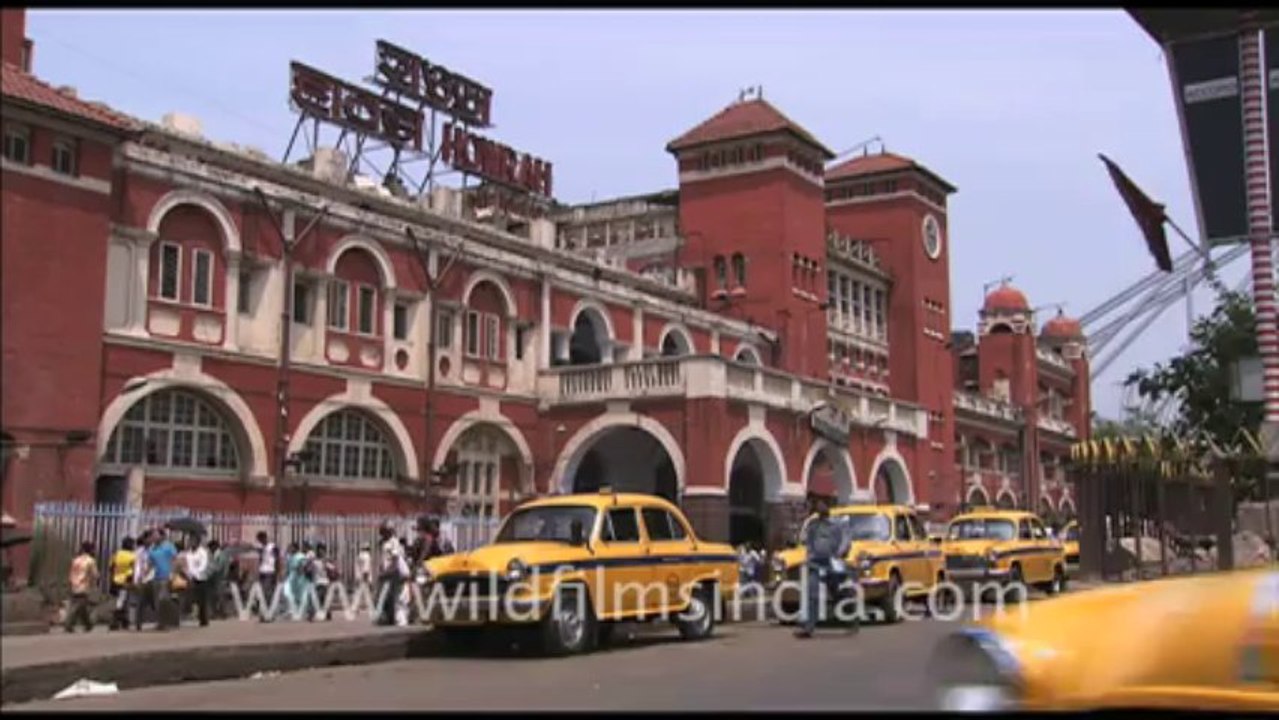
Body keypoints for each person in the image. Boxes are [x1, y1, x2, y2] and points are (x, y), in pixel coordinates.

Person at [795, 498, 849, 639]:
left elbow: (845, 540)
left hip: (832, 564)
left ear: (828, 506)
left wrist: (839, 553)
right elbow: (809, 542)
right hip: (816, 563)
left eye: (822, 504)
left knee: (837, 593)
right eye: (817, 505)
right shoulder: (813, 525)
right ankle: (808, 627)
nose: (819, 507)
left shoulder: (839, 524)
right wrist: (810, 556)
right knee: (812, 594)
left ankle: (849, 614)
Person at [376, 523, 407, 627]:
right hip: (389, 573)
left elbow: (395, 559)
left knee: (397, 597)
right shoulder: (385, 543)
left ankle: (400, 619)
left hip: (394, 573)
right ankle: (389, 618)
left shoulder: (393, 542)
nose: (381, 534)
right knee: (387, 596)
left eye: (383, 531)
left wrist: (387, 572)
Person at [64, 541, 99, 633]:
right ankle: (69, 624)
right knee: (78, 606)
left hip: (74, 584)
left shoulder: (76, 560)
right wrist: (94, 584)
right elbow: (95, 575)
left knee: (81, 606)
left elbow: (71, 573)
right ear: (91, 550)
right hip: (83, 586)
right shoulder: (90, 561)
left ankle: (88, 625)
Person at [148, 529, 178, 631]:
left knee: (163, 600)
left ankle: (166, 622)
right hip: (156, 577)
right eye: (152, 536)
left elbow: (175, 560)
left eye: (155, 535)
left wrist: (173, 573)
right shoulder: (152, 548)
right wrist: (144, 574)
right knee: (157, 602)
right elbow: (150, 563)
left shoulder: (169, 546)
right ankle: (160, 623)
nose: (153, 537)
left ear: (162, 536)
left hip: (166, 577)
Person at [108, 537, 137, 631]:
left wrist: (113, 576)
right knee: (122, 602)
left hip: (115, 580)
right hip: (126, 581)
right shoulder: (132, 556)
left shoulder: (116, 554)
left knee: (119, 601)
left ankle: (124, 621)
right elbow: (134, 569)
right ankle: (115, 622)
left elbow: (111, 567)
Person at [131, 530, 155, 631]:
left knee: (155, 602)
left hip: (154, 578)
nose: (149, 540)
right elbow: (137, 566)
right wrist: (136, 579)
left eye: (151, 538)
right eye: (148, 538)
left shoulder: (155, 550)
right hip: (143, 579)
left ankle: (163, 621)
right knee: (140, 602)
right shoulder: (139, 552)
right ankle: (138, 623)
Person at [186, 537, 212, 627]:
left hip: (201, 578)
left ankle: (204, 619)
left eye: (193, 541)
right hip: (191, 578)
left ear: (197, 542)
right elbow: (189, 565)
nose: (191, 543)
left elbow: (203, 565)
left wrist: (196, 573)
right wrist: (190, 575)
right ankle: (196, 615)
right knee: (194, 599)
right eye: (190, 541)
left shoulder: (202, 552)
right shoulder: (189, 553)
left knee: (202, 600)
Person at [256, 531, 280, 623]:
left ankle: (270, 614)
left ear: (265, 538)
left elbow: (277, 559)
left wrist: (278, 572)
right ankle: (264, 614)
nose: (260, 542)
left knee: (268, 593)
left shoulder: (272, 547)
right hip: (263, 571)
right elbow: (261, 560)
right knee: (262, 594)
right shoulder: (262, 548)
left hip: (270, 572)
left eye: (261, 539)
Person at [311, 543, 337, 621]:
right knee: (322, 599)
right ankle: (327, 613)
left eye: (322, 550)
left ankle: (313, 613)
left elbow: (333, 568)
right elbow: (311, 569)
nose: (320, 551)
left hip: (324, 582)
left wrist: (327, 565)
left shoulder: (326, 560)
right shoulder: (314, 560)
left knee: (319, 598)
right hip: (317, 581)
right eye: (319, 549)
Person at [207, 539, 229, 620]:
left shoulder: (221, 555)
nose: (210, 550)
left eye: (211, 548)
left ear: (215, 547)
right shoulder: (214, 555)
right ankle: (214, 613)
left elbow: (219, 567)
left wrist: (210, 569)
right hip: (214, 578)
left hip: (220, 578)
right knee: (213, 596)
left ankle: (224, 613)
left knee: (220, 596)